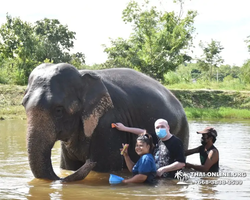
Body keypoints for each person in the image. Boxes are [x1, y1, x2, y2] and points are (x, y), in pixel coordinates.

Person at [114, 118, 185, 179]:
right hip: (158, 177)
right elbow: (142, 132)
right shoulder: (155, 138)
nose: (160, 129)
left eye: (162, 127)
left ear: (168, 127)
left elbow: (181, 163)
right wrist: (124, 128)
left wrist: (163, 169)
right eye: (157, 127)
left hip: (171, 179)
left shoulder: (176, 142)